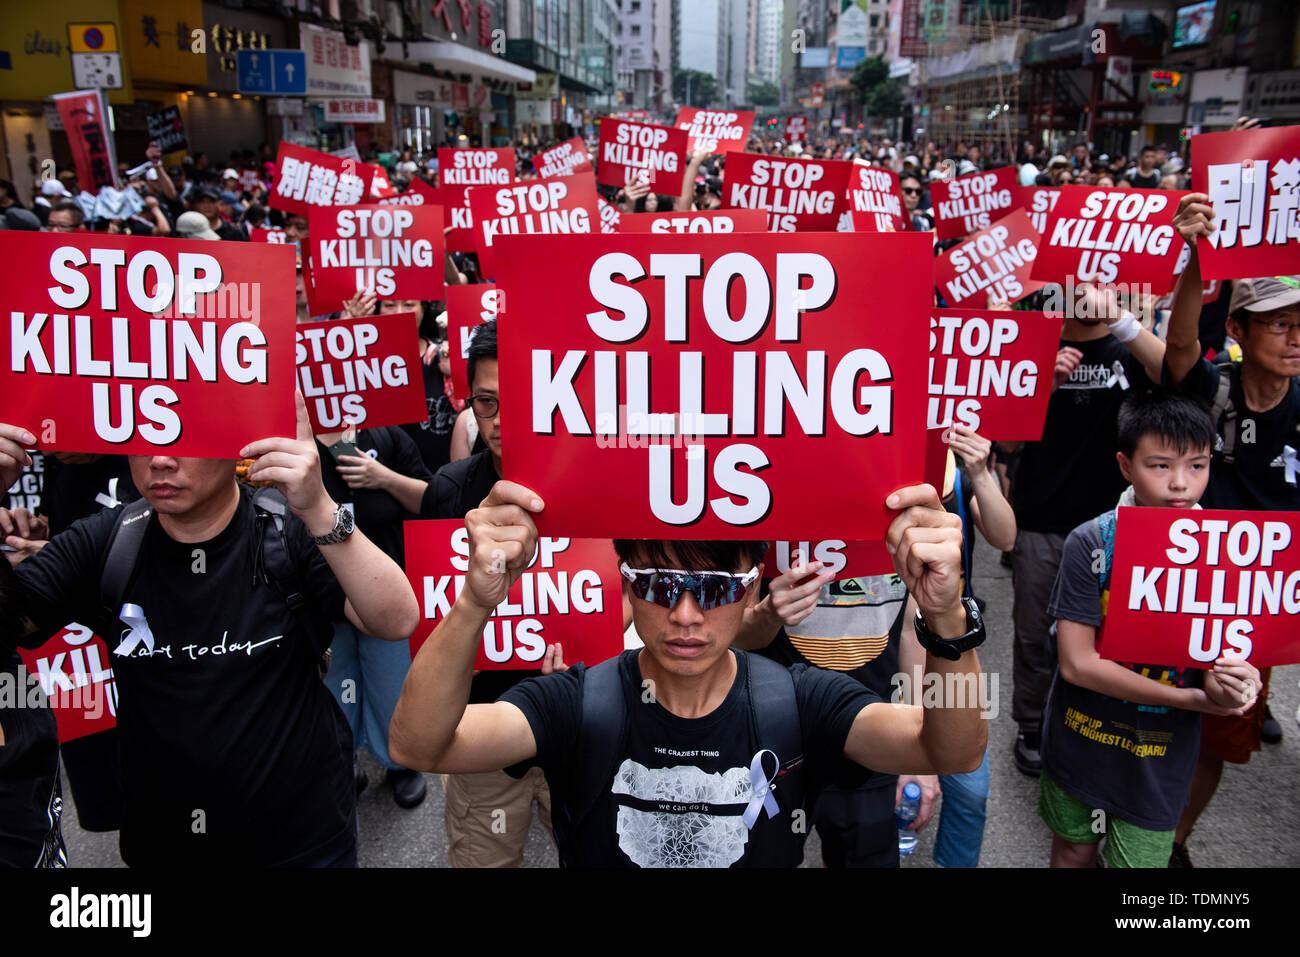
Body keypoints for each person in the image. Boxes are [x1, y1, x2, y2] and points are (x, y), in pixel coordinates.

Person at [390, 470, 986, 868]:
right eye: (658, 584)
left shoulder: (798, 703)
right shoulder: (578, 702)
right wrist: (474, 600)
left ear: (754, 585)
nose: (685, 615)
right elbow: (420, 745)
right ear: (622, 581)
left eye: (715, 589)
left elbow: (951, 751)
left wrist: (946, 616)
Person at [0, 395, 420, 866]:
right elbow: (12, 624)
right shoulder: (106, 539)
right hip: (166, 843)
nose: (160, 459)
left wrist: (320, 507)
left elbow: (395, 619)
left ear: (234, 444)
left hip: (303, 838)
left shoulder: (284, 531)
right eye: (144, 437)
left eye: (183, 437)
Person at [1039, 389, 1261, 867]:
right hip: (1084, 739)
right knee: (1074, 851)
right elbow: (1078, 664)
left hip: (1163, 757)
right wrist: (1192, 701)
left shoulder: (1229, 555)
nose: (1180, 484)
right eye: (1160, 466)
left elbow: (1218, 675)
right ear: (1125, 466)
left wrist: (1233, 688)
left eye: (1197, 466)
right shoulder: (1092, 542)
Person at [1161, 191, 1300, 866]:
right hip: (1179, 585)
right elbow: (1180, 341)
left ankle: (1172, 842)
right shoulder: (1212, 388)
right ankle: (1132, 826)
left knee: (1218, 734)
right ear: (1240, 330)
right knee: (1153, 718)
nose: (1295, 337)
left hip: (1258, 608)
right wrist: (1195, 254)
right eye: (1278, 324)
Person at [1005, 283, 1167, 776]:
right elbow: (1004, 445)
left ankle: (1095, 726)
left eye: (1104, 282)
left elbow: (1178, 377)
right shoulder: (1034, 343)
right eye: (1080, 282)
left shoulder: (1128, 345)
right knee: (1035, 634)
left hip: (1117, 526)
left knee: (1108, 638)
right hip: (1042, 519)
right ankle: (1032, 724)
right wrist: (1040, 388)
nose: (1091, 292)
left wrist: (1122, 319)